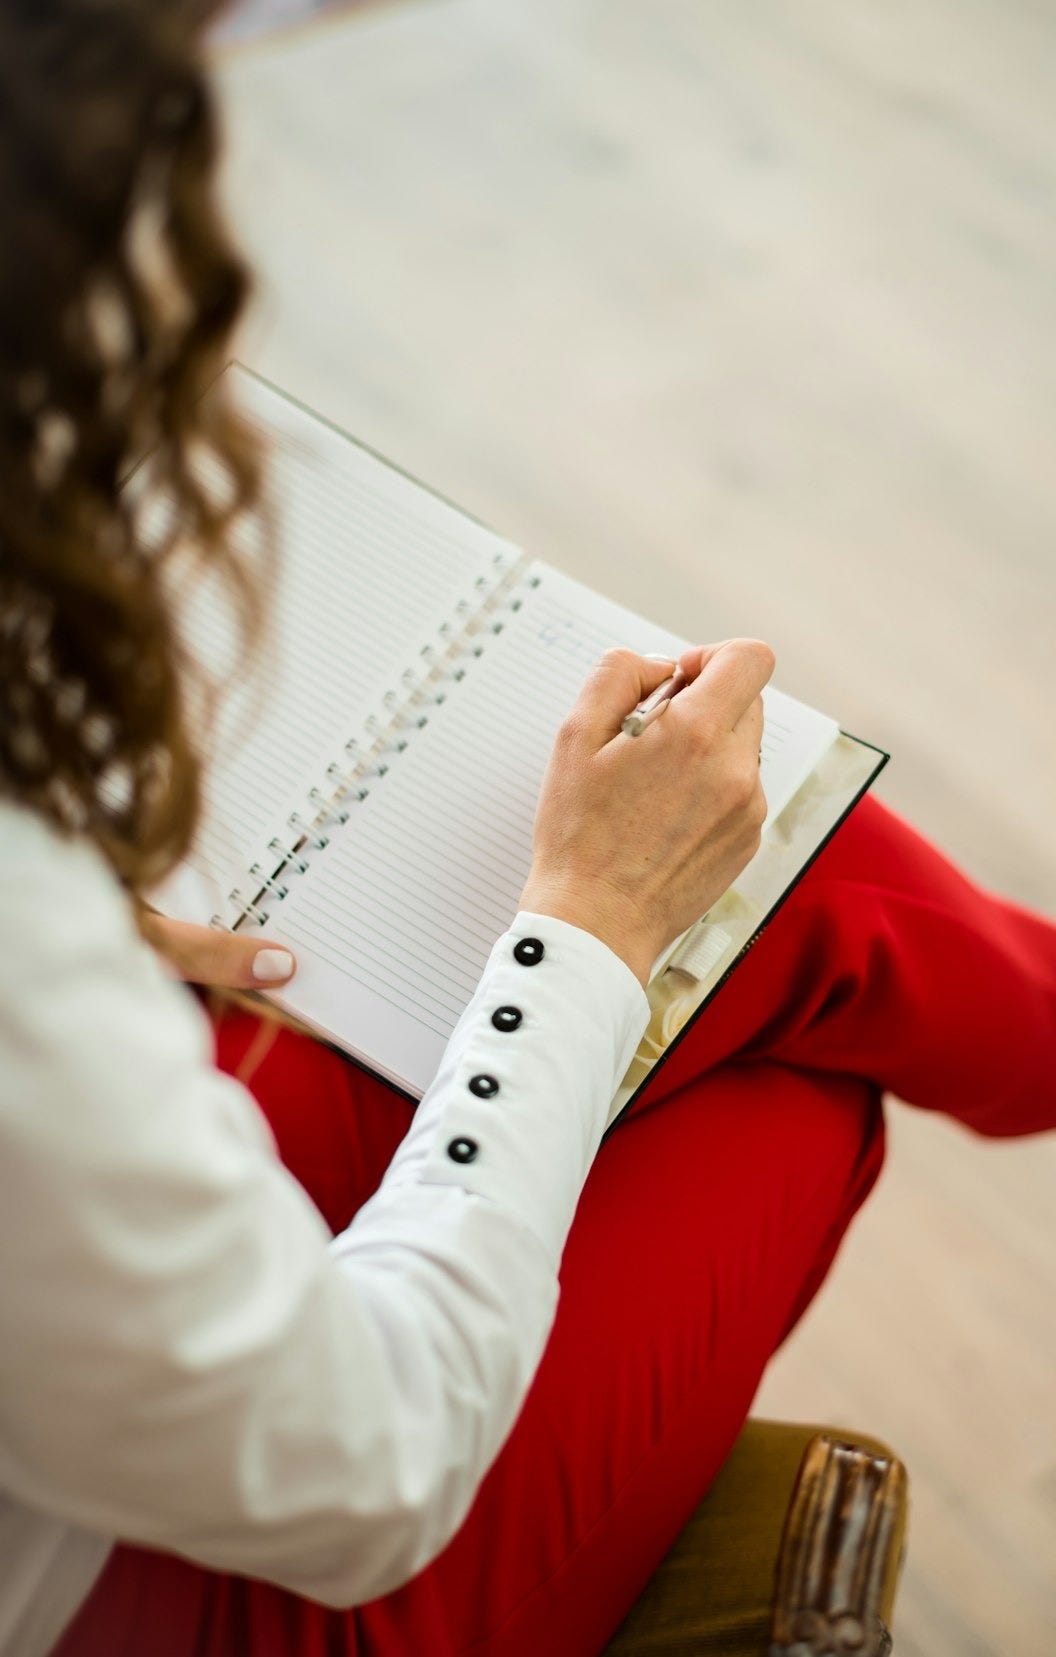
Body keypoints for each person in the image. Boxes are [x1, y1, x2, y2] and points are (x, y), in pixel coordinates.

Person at [0, 5, 1053, 1656]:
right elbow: (369, 1475)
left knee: (748, 872)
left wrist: (81, 933)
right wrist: (587, 939)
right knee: (776, 1047)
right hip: (148, 1594)